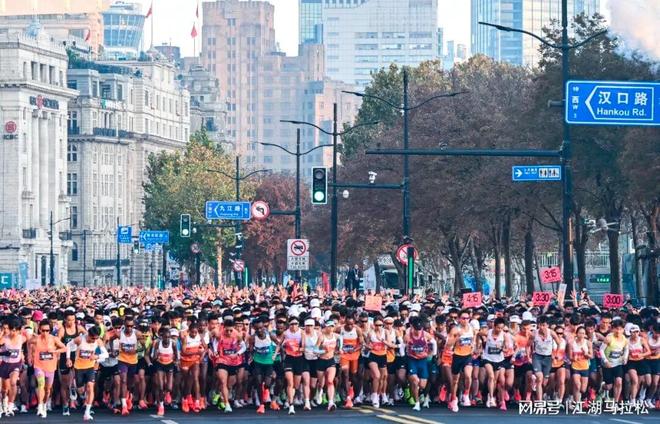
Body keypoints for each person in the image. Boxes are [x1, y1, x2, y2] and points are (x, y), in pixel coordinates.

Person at [27, 319, 66, 418]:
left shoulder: (54, 339)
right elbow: (28, 343)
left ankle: (44, 404)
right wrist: (29, 355)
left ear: (50, 330)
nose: (45, 333)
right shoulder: (36, 339)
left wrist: (55, 351)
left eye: (47, 330)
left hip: (50, 367)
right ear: (39, 330)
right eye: (43, 330)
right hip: (39, 366)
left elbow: (64, 348)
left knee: (48, 390)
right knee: (41, 384)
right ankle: (40, 407)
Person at [69, 326, 109, 421]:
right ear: (89, 335)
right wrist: (68, 358)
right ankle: (75, 388)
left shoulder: (97, 341)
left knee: (90, 387)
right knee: (81, 391)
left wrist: (97, 357)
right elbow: (68, 346)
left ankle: (87, 412)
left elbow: (105, 354)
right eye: (93, 338)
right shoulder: (80, 339)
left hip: (90, 367)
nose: (94, 340)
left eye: (96, 338)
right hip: (79, 367)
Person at [151, 326, 177, 416]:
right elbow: (153, 357)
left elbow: (176, 354)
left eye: (168, 337)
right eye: (165, 337)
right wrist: (156, 355)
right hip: (160, 365)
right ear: (162, 337)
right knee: (161, 387)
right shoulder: (158, 343)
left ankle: (166, 394)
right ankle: (161, 405)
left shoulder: (173, 343)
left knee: (169, 387)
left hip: (169, 364)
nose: (167, 339)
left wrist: (176, 361)